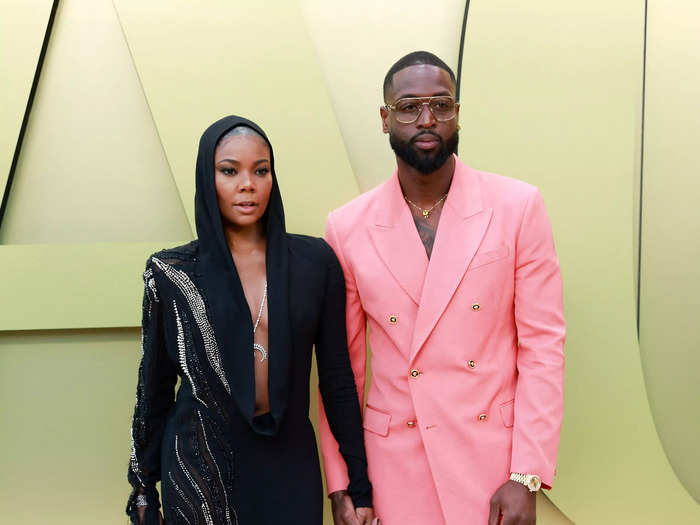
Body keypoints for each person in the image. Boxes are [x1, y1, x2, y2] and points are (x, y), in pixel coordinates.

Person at [318, 51, 565, 525]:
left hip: (494, 462)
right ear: (385, 119)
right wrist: (343, 481)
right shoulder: (347, 227)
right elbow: (340, 372)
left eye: (441, 104)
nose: (427, 119)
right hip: (394, 467)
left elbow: (543, 348)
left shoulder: (517, 207)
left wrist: (527, 474)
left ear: (457, 113)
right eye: (409, 107)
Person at [126, 115, 376, 525]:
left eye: (261, 170)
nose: (248, 184)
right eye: (229, 171)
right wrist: (142, 486)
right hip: (200, 467)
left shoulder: (314, 263)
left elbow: (336, 380)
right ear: (208, 180)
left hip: (288, 462)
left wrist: (358, 482)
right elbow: (153, 388)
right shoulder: (171, 273)